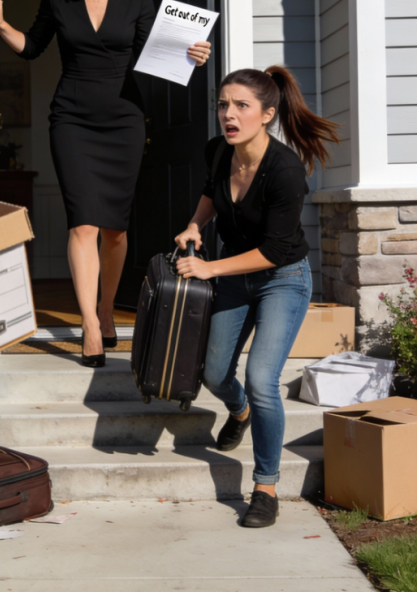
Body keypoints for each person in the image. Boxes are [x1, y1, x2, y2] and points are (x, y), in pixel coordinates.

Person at [0, 0, 211, 367]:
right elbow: (33, 47)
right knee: (83, 223)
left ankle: (108, 309)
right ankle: (89, 322)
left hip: (124, 121)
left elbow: (156, 54)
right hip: (71, 121)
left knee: (115, 230)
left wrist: (192, 55)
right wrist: (2, 22)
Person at [174, 65, 340, 528]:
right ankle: (239, 410)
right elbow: (211, 193)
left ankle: (265, 487)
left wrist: (209, 267)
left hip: (282, 278)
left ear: (266, 114)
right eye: (223, 104)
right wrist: (194, 224)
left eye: (241, 106)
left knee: (264, 378)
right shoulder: (218, 151)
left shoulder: (286, 170)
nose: (228, 114)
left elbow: (273, 250)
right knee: (211, 372)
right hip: (234, 276)